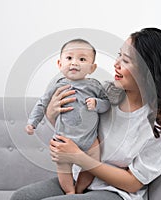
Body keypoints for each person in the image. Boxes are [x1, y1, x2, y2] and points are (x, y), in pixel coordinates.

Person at [12, 27, 161, 200]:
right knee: (21, 197)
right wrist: (52, 115)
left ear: (147, 70)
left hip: (116, 192)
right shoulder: (105, 94)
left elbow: (133, 183)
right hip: (80, 180)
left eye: (126, 60)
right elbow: (78, 131)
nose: (116, 64)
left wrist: (78, 157)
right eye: (119, 55)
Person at [25, 38, 110, 194]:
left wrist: (97, 104)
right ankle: (70, 192)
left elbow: (107, 104)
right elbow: (42, 103)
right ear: (59, 64)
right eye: (69, 58)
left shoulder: (95, 86)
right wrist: (32, 123)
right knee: (63, 168)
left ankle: (79, 190)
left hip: (89, 139)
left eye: (82, 59)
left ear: (92, 67)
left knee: (92, 164)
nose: (74, 63)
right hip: (63, 139)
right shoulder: (57, 85)